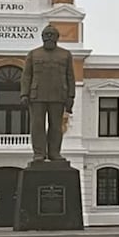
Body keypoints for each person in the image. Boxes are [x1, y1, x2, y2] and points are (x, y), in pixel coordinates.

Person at [20, 25, 76, 162]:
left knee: (56, 126)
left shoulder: (65, 54)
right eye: (46, 34)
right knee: (37, 126)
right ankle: (39, 153)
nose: (49, 37)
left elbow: (70, 76)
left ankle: (54, 153)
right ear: (42, 37)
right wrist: (24, 94)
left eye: (52, 34)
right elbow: (26, 76)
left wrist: (71, 96)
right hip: (37, 95)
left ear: (57, 37)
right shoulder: (33, 54)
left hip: (58, 96)